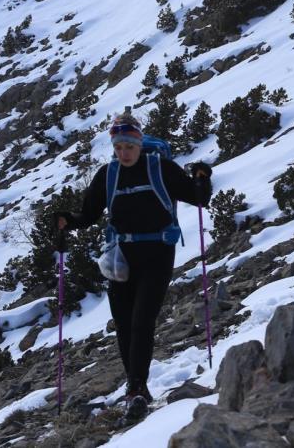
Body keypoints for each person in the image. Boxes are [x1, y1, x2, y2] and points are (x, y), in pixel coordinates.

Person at [54, 111, 212, 419]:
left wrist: (201, 178)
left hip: (157, 254)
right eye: (118, 147)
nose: (124, 153)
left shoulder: (160, 168)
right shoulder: (108, 175)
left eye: (129, 146)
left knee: (142, 321)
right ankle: (135, 386)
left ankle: (137, 389)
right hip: (122, 258)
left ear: (139, 143)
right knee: (124, 325)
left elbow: (196, 197)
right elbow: (87, 217)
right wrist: (66, 221)